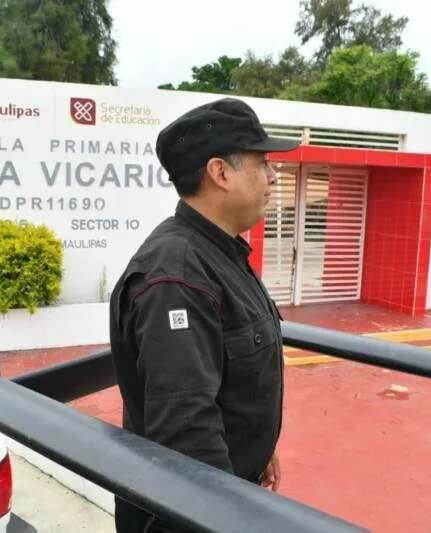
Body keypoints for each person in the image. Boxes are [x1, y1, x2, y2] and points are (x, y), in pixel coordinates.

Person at [108, 98, 300, 532]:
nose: (273, 176)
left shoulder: (218, 252)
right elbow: (187, 435)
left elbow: (229, 374)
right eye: (263, 163)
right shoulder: (177, 277)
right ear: (220, 173)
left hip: (228, 487)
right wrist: (228, 518)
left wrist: (259, 447)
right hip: (192, 515)